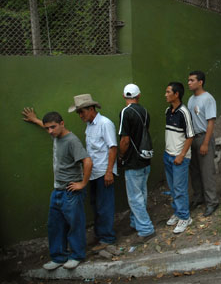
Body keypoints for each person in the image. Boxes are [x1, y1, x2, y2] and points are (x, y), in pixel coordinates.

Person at [22, 109, 92, 270]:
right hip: (57, 191)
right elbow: (47, 125)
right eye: (47, 128)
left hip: (71, 191)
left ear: (62, 124)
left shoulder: (71, 141)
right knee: (55, 225)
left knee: (75, 224)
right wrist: (35, 119)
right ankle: (59, 257)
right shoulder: (56, 134)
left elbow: (87, 161)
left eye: (53, 127)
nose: (50, 131)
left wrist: (82, 183)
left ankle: (77, 256)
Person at [68, 94, 118, 250]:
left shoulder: (105, 123)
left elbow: (113, 147)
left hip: (104, 171)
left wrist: (109, 171)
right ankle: (100, 236)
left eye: (82, 112)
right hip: (94, 173)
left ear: (91, 109)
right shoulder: (90, 125)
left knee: (105, 206)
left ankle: (108, 238)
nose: (80, 115)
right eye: (79, 113)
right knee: (96, 205)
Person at [119, 84, 155, 243]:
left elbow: (125, 140)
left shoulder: (125, 112)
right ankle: (135, 223)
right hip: (145, 159)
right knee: (141, 194)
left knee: (135, 198)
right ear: (138, 96)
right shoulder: (145, 112)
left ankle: (146, 229)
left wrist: (121, 156)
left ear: (123, 96)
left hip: (133, 161)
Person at [164, 82, 195, 233]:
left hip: (179, 158)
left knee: (180, 188)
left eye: (168, 92)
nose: (165, 94)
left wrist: (181, 155)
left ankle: (185, 217)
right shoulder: (168, 111)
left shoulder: (184, 112)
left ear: (176, 94)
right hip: (168, 155)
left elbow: (190, 136)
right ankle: (177, 212)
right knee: (172, 188)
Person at [187, 71, 219, 217]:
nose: (189, 83)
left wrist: (205, 143)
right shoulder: (191, 100)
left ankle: (212, 202)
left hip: (203, 137)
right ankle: (199, 197)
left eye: (192, 80)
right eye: (188, 80)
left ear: (200, 82)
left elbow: (211, 122)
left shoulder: (208, 99)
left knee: (207, 172)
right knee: (195, 171)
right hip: (193, 138)